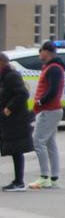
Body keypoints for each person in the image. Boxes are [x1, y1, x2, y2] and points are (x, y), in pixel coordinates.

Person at [28, 42, 65, 188]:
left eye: (40, 51)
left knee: (38, 142)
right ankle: (54, 177)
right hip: (51, 109)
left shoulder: (54, 68)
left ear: (47, 52)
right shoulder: (52, 67)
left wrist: (40, 102)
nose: (39, 54)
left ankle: (44, 176)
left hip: (49, 110)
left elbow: (53, 90)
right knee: (50, 143)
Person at [0, 52, 33, 191]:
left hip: (14, 120)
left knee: (16, 150)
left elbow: (23, 93)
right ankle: (18, 181)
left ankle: (19, 182)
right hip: (6, 120)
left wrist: (9, 108)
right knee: (13, 149)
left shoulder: (11, 76)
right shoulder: (4, 76)